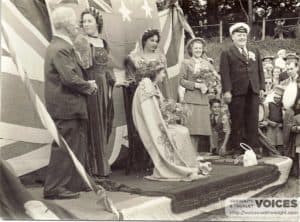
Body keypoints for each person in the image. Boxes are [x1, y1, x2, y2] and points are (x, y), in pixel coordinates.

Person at [43, 7, 98, 199]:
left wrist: (83, 84)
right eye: (75, 21)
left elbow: (69, 77)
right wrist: (88, 86)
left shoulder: (59, 46)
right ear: (66, 24)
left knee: (71, 145)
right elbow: (69, 78)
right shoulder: (61, 48)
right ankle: (54, 188)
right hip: (67, 106)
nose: (78, 25)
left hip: (67, 106)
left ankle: (70, 184)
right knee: (65, 147)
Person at [132, 61, 212, 181]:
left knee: (183, 130)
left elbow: (160, 107)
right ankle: (180, 166)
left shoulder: (152, 85)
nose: (164, 75)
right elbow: (150, 113)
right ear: (156, 73)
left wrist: (173, 111)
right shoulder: (146, 86)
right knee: (181, 132)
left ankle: (187, 164)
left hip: (158, 121)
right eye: (163, 72)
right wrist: (165, 121)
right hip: (150, 125)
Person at [74, 7, 115, 178]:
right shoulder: (82, 41)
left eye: (89, 20)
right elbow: (81, 68)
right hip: (92, 87)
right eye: (84, 21)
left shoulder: (104, 42)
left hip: (104, 86)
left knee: (104, 122)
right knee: (94, 124)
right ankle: (94, 167)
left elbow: (106, 67)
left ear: (97, 22)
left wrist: (111, 80)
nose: (86, 24)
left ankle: (102, 165)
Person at [123, 29, 171, 174]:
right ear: (144, 41)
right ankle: (141, 162)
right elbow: (130, 79)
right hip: (140, 97)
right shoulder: (133, 57)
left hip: (157, 96)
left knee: (157, 126)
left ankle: (158, 160)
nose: (154, 43)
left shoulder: (161, 57)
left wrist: (168, 100)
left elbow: (165, 81)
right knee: (143, 127)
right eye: (152, 40)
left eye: (157, 41)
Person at [219, 22, 265, 158]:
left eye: (244, 35)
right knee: (237, 120)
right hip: (237, 92)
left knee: (253, 120)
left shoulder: (254, 50)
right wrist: (227, 91)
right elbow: (225, 73)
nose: (242, 37)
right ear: (232, 37)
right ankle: (238, 149)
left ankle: (253, 149)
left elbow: (260, 70)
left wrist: (262, 87)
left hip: (253, 90)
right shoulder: (227, 53)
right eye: (239, 35)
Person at [179, 38, 219, 153]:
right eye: (195, 48)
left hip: (203, 101)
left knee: (199, 131)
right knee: (190, 131)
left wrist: (209, 85)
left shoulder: (207, 63)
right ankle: (190, 156)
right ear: (191, 49)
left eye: (200, 48)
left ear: (203, 49)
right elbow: (181, 81)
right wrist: (196, 85)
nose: (198, 50)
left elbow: (215, 79)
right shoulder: (186, 63)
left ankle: (195, 156)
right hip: (191, 100)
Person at [283, 97, 300, 177]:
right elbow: (287, 125)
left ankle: (296, 172)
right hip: (290, 137)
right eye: (298, 104)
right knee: (290, 154)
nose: (298, 106)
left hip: (297, 138)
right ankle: (289, 172)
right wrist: (295, 128)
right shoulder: (289, 111)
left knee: (297, 155)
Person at [265, 86, 284, 153]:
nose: (277, 99)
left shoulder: (282, 106)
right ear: (273, 98)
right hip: (271, 126)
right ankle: (271, 156)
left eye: (278, 98)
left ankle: (279, 156)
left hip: (279, 127)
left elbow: (284, 117)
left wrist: (282, 124)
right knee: (271, 143)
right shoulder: (269, 104)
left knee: (280, 143)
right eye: (275, 98)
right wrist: (270, 122)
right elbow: (265, 117)